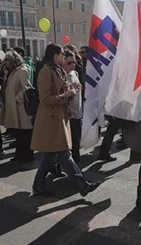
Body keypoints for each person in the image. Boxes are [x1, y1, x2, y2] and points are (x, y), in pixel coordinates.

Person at [30, 44, 99, 197]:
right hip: (51, 119)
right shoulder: (46, 72)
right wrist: (66, 95)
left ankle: (38, 185)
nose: (64, 56)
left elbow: (61, 88)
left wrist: (71, 87)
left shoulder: (56, 69)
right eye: (62, 54)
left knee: (50, 156)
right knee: (64, 154)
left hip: (59, 117)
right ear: (55, 55)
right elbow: (45, 98)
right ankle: (83, 185)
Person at [0, 51, 34, 163]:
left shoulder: (22, 71)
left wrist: (17, 98)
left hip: (21, 107)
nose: (5, 62)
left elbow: (27, 87)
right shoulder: (10, 72)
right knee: (18, 133)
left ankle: (26, 156)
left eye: (7, 59)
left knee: (25, 134)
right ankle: (19, 155)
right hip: (13, 107)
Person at [63, 50, 84, 164]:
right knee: (72, 142)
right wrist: (71, 88)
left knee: (77, 140)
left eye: (74, 62)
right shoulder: (62, 75)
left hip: (78, 110)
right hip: (68, 113)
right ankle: (75, 166)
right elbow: (60, 93)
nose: (72, 65)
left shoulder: (75, 73)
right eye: (69, 63)